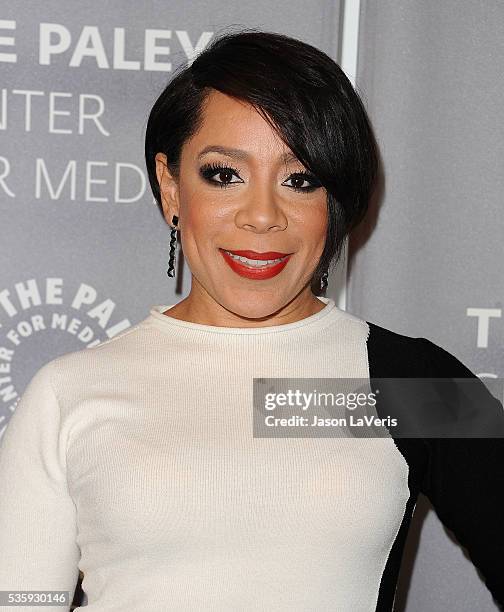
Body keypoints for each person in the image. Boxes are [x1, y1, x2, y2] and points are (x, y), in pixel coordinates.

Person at [0, 29, 503, 612]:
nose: (262, 216)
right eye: (223, 174)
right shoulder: (69, 393)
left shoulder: (413, 384)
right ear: (170, 185)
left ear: (333, 201)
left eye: (300, 179)